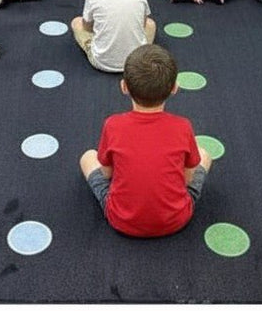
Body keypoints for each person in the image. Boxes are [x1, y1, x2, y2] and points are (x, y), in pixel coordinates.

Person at [79, 44, 213, 238]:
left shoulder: (113, 124)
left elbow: (106, 173)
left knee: (88, 157)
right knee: (204, 154)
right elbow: (188, 178)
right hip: (176, 220)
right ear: (175, 87)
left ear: (124, 86)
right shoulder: (183, 126)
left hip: (121, 219)